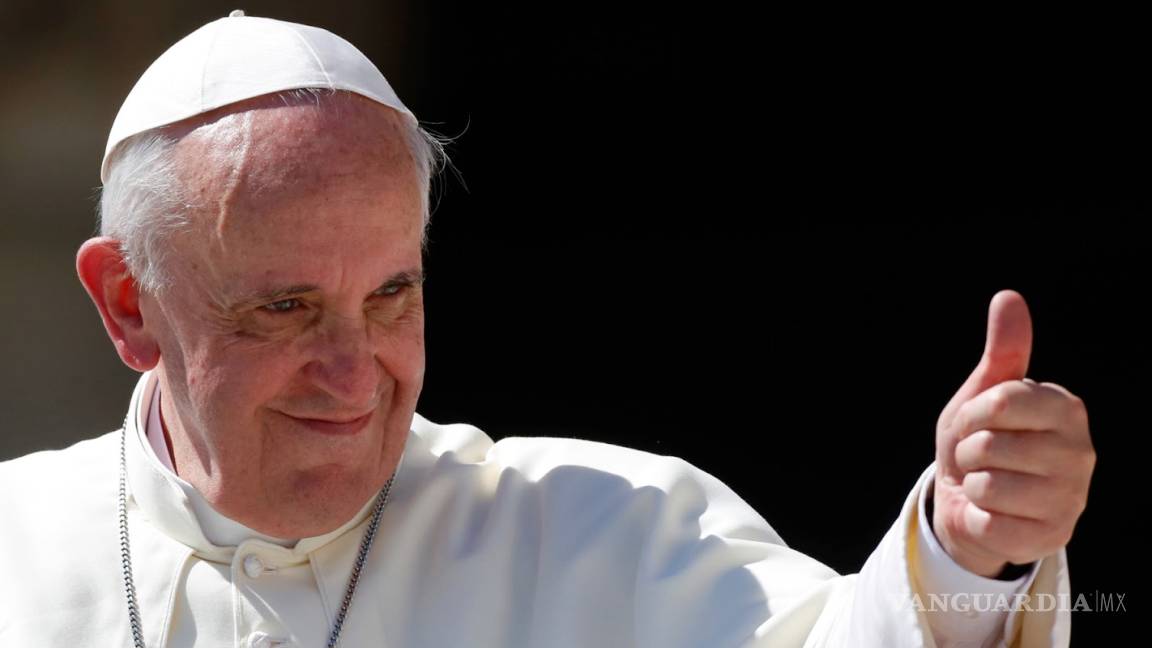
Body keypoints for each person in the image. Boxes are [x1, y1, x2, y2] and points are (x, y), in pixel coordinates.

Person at [0, 11, 1095, 647]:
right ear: (130, 305)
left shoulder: (595, 532)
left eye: (391, 297)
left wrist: (967, 549)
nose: (353, 374)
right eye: (283, 308)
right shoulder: (16, 551)